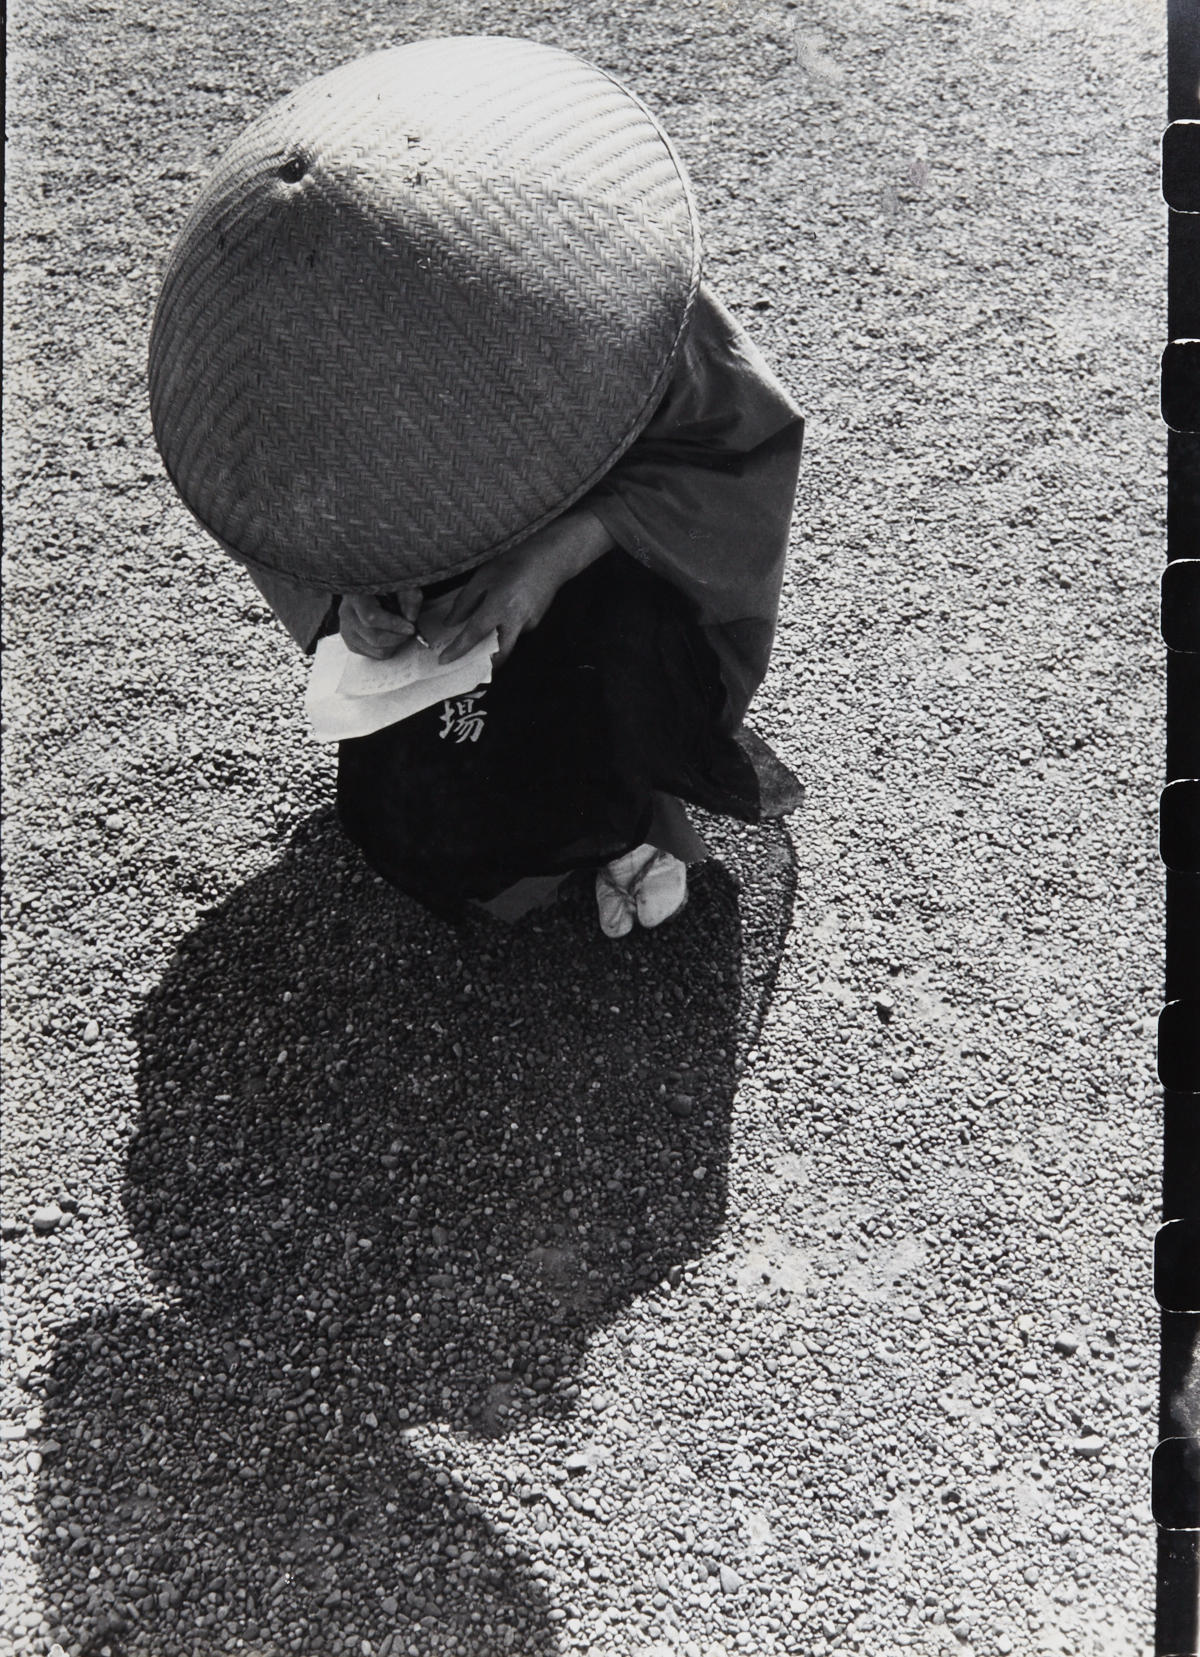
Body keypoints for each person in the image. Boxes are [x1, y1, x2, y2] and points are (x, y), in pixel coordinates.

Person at [148, 37, 803, 933]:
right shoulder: (293, 357)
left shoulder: (607, 276)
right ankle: (562, 833)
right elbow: (274, 504)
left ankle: (636, 804)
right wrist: (352, 601)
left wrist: (556, 553)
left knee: (610, 688)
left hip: (620, 568)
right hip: (447, 625)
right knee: (409, 814)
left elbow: (732, 456)